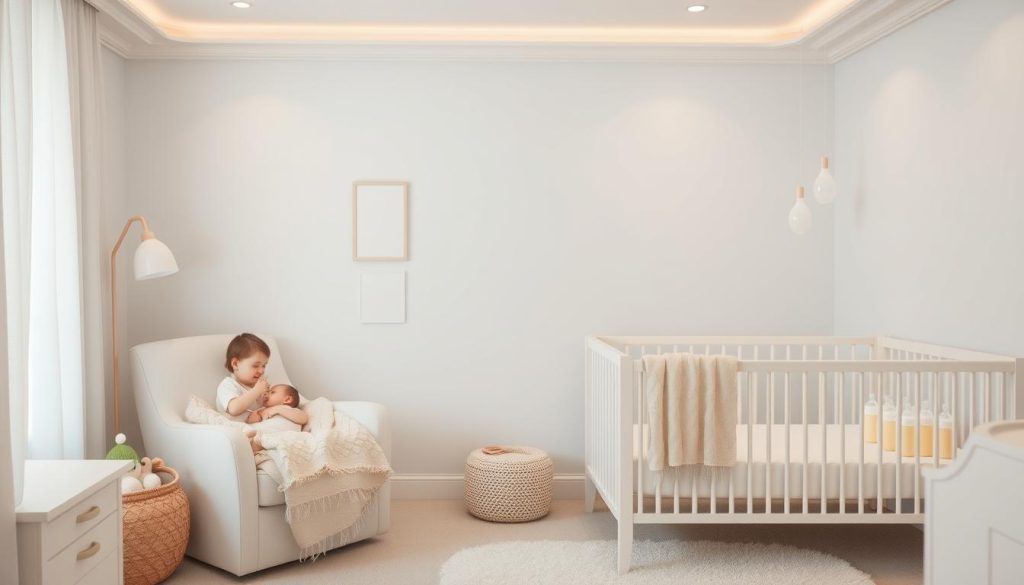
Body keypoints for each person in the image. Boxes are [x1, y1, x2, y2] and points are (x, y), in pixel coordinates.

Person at [217, 333, 308, 452]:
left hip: (260, 429)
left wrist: (268, 399)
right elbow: (234, 409)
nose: (261, 371)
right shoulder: (228, 384)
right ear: (235, 364)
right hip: (239, 435)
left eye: (264, 366)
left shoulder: (258, 386)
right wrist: (257, 391)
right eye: (256, 366)